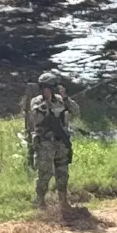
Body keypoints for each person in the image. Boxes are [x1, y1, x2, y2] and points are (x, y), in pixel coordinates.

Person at [29, 71, 79, 209]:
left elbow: (76, 112)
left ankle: (63, 201)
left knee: (62, 173)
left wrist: (66, 98)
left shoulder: (61, 100)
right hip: (45, 143)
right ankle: (40, 202)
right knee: (45, 173)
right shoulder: (37, 102)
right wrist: (47, 102)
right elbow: (36, 118)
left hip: (60, 142)